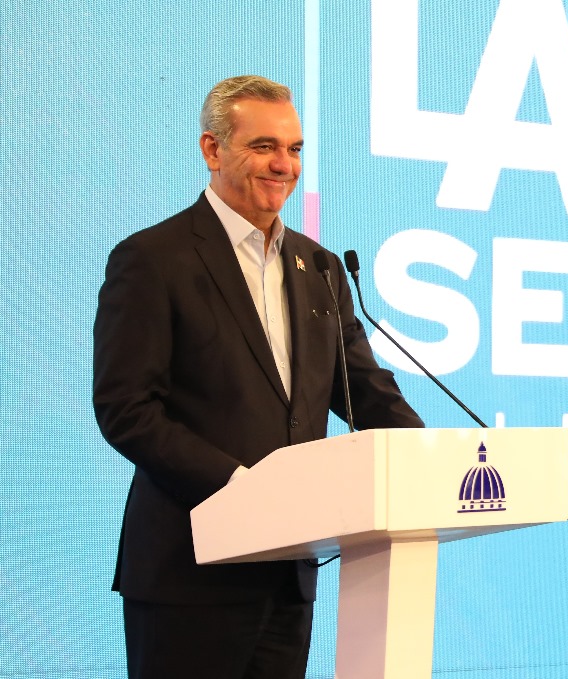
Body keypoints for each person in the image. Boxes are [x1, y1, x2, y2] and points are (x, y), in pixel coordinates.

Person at [92, 75, 424, 679]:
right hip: (190, 573)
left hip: (287, 576)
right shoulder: (153, 259)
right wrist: (242, 487)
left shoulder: (319, 267)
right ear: (213, 150)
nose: (283, 165)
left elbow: (362, 389)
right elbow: (127, 410)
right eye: (263, 146)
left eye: (294, 149)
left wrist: (428, 457)